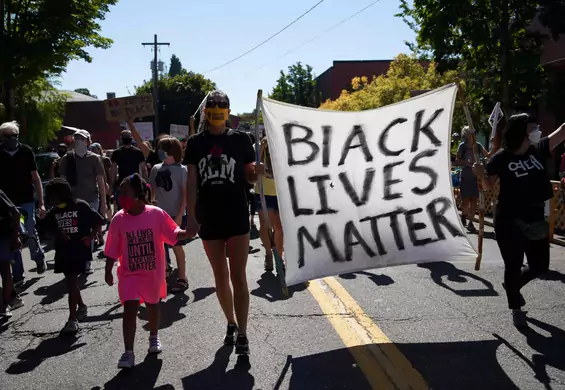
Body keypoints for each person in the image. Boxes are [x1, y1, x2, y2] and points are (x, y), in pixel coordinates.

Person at [184, 90, 264, 355]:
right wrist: (192, 217)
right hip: (209, 217)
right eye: (213, 106)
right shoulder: (195, 143)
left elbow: (250, 179)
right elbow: (192, 180)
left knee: (239, 275)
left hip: (237, 213)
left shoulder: (242, 140)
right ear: (206, 110)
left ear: (229, 111)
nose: (217, 110)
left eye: (222, 107)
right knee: (220, 275)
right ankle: (229, 322)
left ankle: (242, 332)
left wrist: (257, 172)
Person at [477, 113, 565, 327]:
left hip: (535, 218)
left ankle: (512, 286)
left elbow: (562, 131)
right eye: (533, 128)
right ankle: (515, 306)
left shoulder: (539, 149)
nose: (537, 132)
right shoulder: (501, 157)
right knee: (513, 265)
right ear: (520, 132)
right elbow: (488, 185)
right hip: (509, 219)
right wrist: (480, 174)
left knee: (539, 265)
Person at [104, 174, 195, 369]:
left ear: (138, 195)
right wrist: (108, 270)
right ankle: (128, 352)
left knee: (153, 306)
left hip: (153, 275)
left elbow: (173, 234)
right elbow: (112, 248)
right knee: (130, 309)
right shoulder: (118, 219)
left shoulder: (155, 214)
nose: (121, 197)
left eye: (125, 193)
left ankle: (154, 336)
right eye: (120, 193)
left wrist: (188, 232)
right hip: (129, 275)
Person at [40, 178, 104, 333]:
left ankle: (72, 319)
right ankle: (81, 306)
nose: (53, 199)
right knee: (72, 283)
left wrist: (91, 237)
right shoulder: (54, 212)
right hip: (63, 251)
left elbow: (98, 221)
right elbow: (46, 230)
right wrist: (55, 231)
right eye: (51, 196)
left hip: (78, 250)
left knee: (71, 281)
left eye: (56, 195)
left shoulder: (80, 205)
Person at [0, 121, 47, 279]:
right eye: (9, 136)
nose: (13, 139)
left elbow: (35, 178)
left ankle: (38, 257)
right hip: (7, 203)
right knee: (14, 235)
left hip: (26, 200)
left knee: (29, 230)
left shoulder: (26, 151)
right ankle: (18, 273)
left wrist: (41, 203)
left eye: (15, 136)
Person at [58, 130, 107, 273]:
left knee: (88, 230)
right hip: (73, 201)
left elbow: (100, 180)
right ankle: (75, 258)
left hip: (91, 199)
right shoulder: (67, 158)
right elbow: (62, 179)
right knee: (75, 231)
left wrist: (103, 203)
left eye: (82, 138)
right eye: (77, 138)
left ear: (88, 141)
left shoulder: (94, 158)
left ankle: (87, 260)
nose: (79, 140)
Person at [149, 137, 189, 293]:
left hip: (175, 214)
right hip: (158, 214)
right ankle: (165, 271)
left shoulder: (181, 170)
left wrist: (180, 215)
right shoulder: (155, 168)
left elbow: (185, 195)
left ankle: (182, 277)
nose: (160, 152)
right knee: (159, 245)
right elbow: (152, 190)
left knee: (177, 247)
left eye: (163, 149)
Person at [255, 136, 284, 272]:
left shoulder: (283, 144)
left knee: (279, 227)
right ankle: (268, 253)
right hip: (264, 192)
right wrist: (261, 149)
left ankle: (279, 257)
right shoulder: (259, 146)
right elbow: (254, 167)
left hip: (281, 192)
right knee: (265, 226)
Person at [454, 126, 489, 233]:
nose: (474, 134)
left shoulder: (478, 146)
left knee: (474, 200)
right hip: (466, 175)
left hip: (476, 176)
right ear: (467, 135)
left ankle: (471, 223)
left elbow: (487, 155)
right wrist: (466, 162)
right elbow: (457, 161)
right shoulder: (462, 146)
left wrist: (493, 146)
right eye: (471, 133)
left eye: (474, 132)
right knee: (465, 201)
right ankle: (464, 215)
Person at [110, 126, 148, 211]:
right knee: (136, 208)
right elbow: (144, 169)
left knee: (122, 209)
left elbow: (113, 171)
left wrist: (112, 185)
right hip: (135, 183)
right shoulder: (138, 152)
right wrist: (145, 184)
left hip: (122, 184)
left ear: (121, 139)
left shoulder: (116, 153)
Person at [0, 190, 22, 317]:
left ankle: (4, 305)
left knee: (5, 270)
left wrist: (15, 236)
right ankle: (12, 298)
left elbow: (16, 212)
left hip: (2, 236)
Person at [90, 143, 113, 225]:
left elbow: (109, 173)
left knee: (107, 202)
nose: (93, 150)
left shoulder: (105, 159)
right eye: (92, 149)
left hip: (105, 183)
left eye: (95, 149)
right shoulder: (91, 159)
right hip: (95, 185)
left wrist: (109, 184)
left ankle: (110, 221)